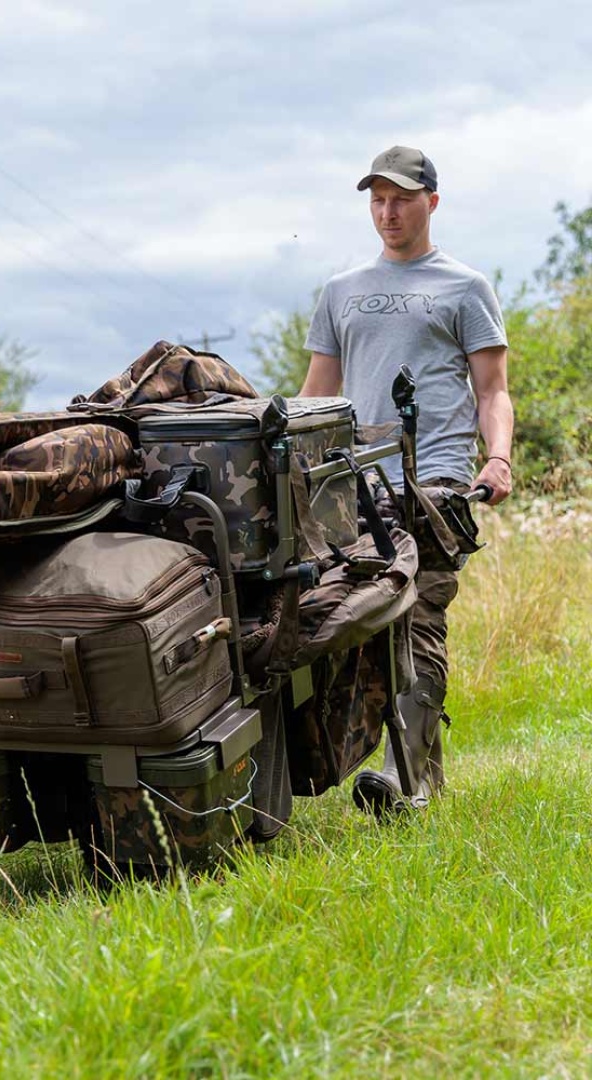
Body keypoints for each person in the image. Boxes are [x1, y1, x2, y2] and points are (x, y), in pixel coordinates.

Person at [299, 145, 514, 816]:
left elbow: (493, 390)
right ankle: (405, 768)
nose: (388, 213)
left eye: (401, 199)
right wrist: (294, 470)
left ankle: (403, 781)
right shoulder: (341, 291)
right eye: (377, 200)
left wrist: (498, 457)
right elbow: (316, 396)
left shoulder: (465, 287)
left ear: (432, 202)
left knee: (418, 616)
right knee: (361, 626)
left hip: (437, 482)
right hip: (354, 485)